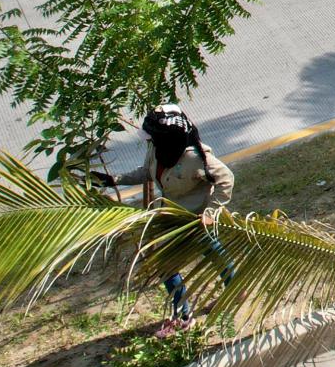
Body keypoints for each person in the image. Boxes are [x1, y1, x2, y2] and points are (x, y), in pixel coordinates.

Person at [94, 104, 237, 327]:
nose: (149, 140)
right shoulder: (157, 149)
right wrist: (113, 180)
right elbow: (146, 172)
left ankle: (234, 292)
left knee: (213, 253)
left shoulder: (195, 158)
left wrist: (211, 212)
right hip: (172, 216)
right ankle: (183, 313)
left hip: (196, 219)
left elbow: (226, 179)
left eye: (153, 136)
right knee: (167, 266)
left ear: (167, 137)